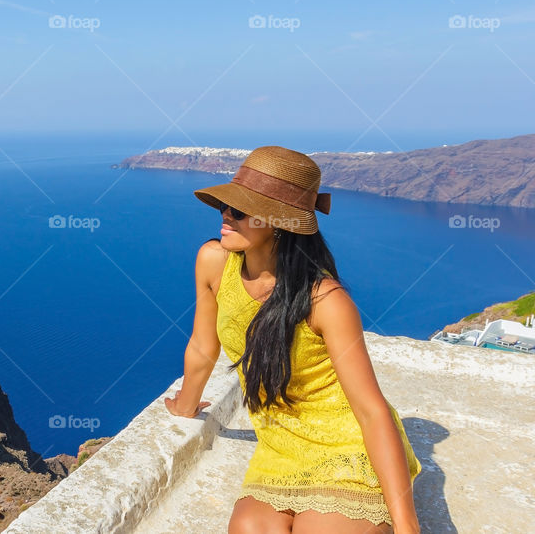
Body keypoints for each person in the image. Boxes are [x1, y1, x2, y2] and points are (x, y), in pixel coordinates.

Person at [164, 146, 422, 534]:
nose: (225, 216)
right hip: (279, 447)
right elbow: (203, 346)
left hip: (345, 447)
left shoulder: (326, 301)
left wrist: (407, 526)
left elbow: (371, 410)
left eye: (239, 210)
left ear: (279, 222)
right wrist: (186, 406)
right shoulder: (213, 262)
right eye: (225, 206)